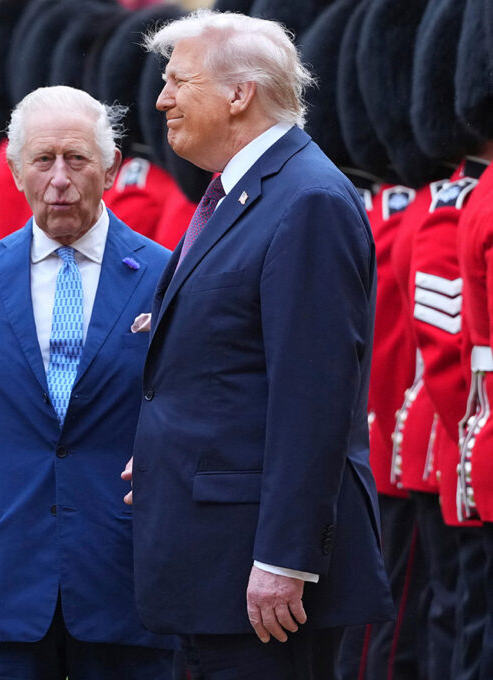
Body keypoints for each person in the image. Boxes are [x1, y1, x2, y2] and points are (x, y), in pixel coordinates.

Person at [125, 11, 394, 678]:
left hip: (260, 572)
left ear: (239, 94)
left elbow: (314, 398)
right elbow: (229, 364)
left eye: (178, 81)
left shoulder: (306, 200)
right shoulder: (243, 193)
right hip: (212, 554)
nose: (161, 100)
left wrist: (285, 557)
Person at [0, 85, 176, 680]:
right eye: (43, 160)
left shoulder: (166, 276)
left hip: (127, 581)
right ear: (15, 171)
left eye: (77, 159)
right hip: (0, 580)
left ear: (110, 168)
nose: (60, 179)